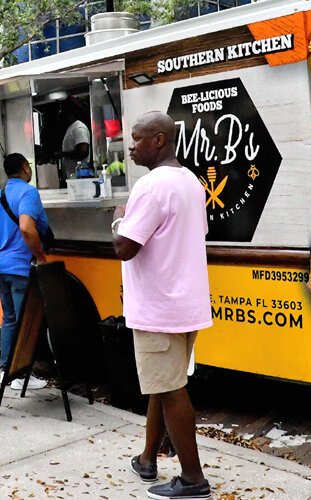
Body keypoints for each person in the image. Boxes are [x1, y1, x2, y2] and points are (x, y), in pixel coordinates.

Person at [115, 112, 213, 500]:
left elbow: (125, 247)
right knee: (163, 382)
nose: (131, 145)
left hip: (159, 307)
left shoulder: (151, 187)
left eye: (137, 139)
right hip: (184, 304)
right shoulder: (190, 181)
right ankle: (147, 459)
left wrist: (117, 221)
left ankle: (193, 479)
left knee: (170, 388)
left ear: (158, 140)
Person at [0, 153, 48, 391]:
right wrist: (41, 257)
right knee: (25, 322)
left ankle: (6, 371)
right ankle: (21, 375)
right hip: (19, 268)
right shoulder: (28, 192)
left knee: (9, 319)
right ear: (25, 168)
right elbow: (26, 228)